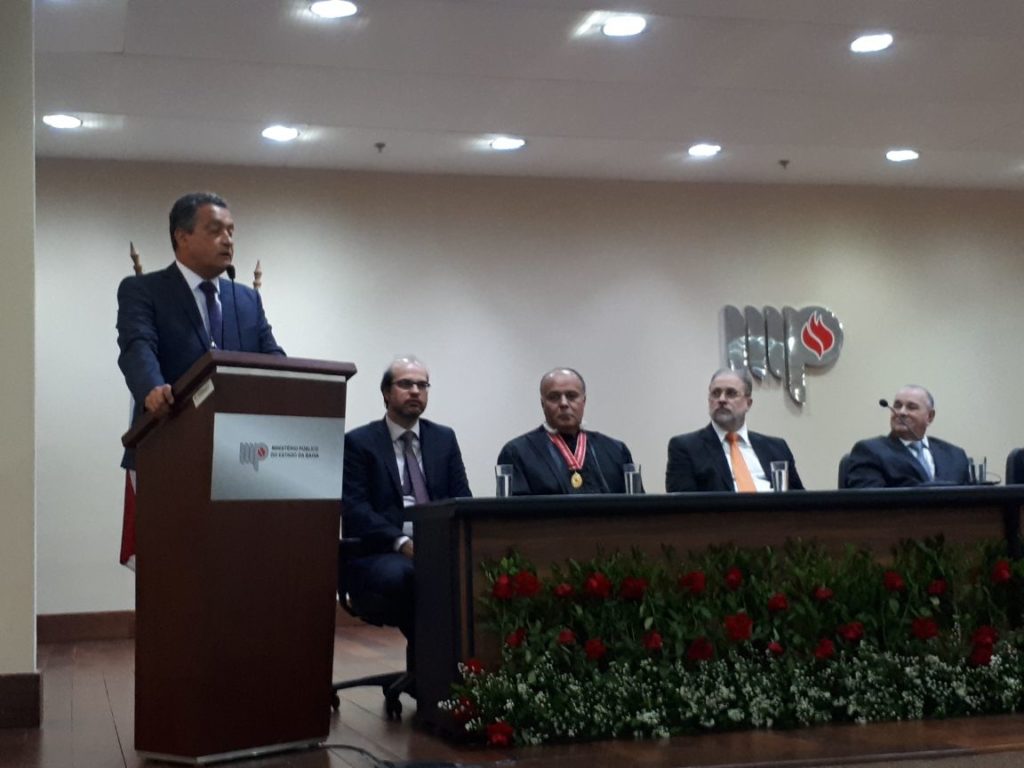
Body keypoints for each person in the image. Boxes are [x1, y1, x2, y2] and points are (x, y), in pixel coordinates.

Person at [116, 192, 284, 469]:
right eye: (215, 230)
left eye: (231, 231)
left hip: (241, 455)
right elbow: (137, 346)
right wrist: (152, 389)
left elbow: (273, 356)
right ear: (182, 237)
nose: (228, 240)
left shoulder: (247, 299)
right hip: (168, 444)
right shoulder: (145, 290)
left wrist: (297, 383)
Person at [342, 356, 472, 638]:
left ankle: (448, 660)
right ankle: (430, 659)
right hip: (383, 550)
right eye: (406, 384)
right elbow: (355, 509)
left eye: (422, 385)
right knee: (417, 577)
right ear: (386, 393)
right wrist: (402, 543)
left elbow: (462, 499)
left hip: (438, 546)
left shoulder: (443, 439)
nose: (415, 391)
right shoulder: (359, 442)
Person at [497, 368, 637, 495]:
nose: (563, 403)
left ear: (583, 401)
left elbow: (637, 508)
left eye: (571, 396)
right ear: (543, 404)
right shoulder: (517, 453)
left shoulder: (616, 450)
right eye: (554, 397)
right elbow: (513, 513)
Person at [666, 368, 804, 492]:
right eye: (715, 393)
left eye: (731, 393)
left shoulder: (777, 448)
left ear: (748, 404)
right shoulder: (686, 448)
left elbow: (800, 501)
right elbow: (683, 506)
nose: (721, 399)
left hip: (775, 512)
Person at [845, 385, 969, 487]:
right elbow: (869, 500)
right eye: (897, 406)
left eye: (911, 407)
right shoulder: (870, 451)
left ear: (930, 416)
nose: (901, 412)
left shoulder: (955, 455)